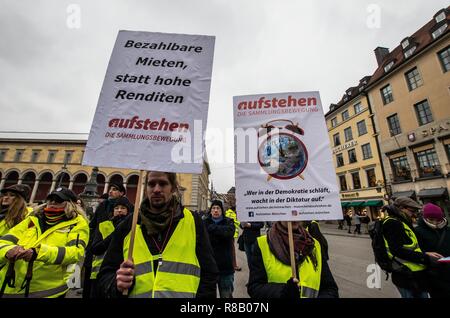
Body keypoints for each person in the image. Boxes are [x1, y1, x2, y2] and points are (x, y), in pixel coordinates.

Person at [97, 171, 218, 298]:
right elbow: (105, 275)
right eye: (151, 184)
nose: (156, 189)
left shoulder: (193, 221)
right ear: (145, 189)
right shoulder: (129, 225)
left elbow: (209, 274)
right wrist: (117, 284)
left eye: (163, 184)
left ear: (173, 188)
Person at [0, 187, 89, 298]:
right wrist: (8, 250)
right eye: (50, 199)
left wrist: (38, 253)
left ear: (70, 204)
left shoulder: (77, 223)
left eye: (58, 200)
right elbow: (5, 240)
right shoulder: (32, 218)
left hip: (46, 290)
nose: (53, 203)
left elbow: (75, 252)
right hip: (9, 286)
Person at [247, 220, 339, 298]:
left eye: (298, 210)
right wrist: (282, 291)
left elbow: (330, 288)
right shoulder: (262, 244)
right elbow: (254, 287)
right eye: (288, 210)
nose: (294, 215)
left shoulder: (314, 244)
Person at [382, 197, 443, 298]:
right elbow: (397, 250)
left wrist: (425, 253)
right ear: (402, 208)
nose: (414, 214)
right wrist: (426, 258)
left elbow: (411, 246)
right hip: (405, 275)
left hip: (413, 275)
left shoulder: (402, 221)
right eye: (412, 211)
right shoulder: (392, 223)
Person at [82, 182, 129, 298]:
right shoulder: (103, 207)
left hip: (117, 269)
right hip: (96, 265)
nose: (119, 210)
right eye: (117, 208)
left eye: (122, 208)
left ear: (122, 193)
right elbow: (93, 227)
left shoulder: (129, 223)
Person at [415, 203, 450, 298]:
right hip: (433, 274)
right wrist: (425, 254)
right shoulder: (418, 231)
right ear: (425, 218)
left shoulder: (447, 230)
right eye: (431, 220)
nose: (435, 223)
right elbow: (416, 251)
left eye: (438, 220)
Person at [203, 200, 235, 298]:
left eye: (218, 208)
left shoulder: (229, 222)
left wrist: (211, 228)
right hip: (209, 267)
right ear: (210, 210)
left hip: (225, 267)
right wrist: (220, 231)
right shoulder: (204, 222)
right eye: (213, 208)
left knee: (226, 295)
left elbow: (228, 233)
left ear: (222, 210)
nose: (216, 210)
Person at [225, 203, 241, 271]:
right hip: (231, 235)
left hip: (232, 234)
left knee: (230, 250)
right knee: (232, 250)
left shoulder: (230, 213)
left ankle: (232, 264)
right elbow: (234, 223)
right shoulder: (230, 214)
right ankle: (234, 265)